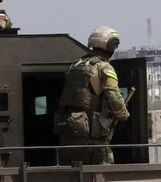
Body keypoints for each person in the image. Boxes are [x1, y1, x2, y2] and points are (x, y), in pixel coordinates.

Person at [54, 27, 130, 164]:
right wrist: (123, 115)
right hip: (92, 136)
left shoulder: (75, 65)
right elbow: (114, 97)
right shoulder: (104, 67)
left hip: (69, 130)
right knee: (101, 172)